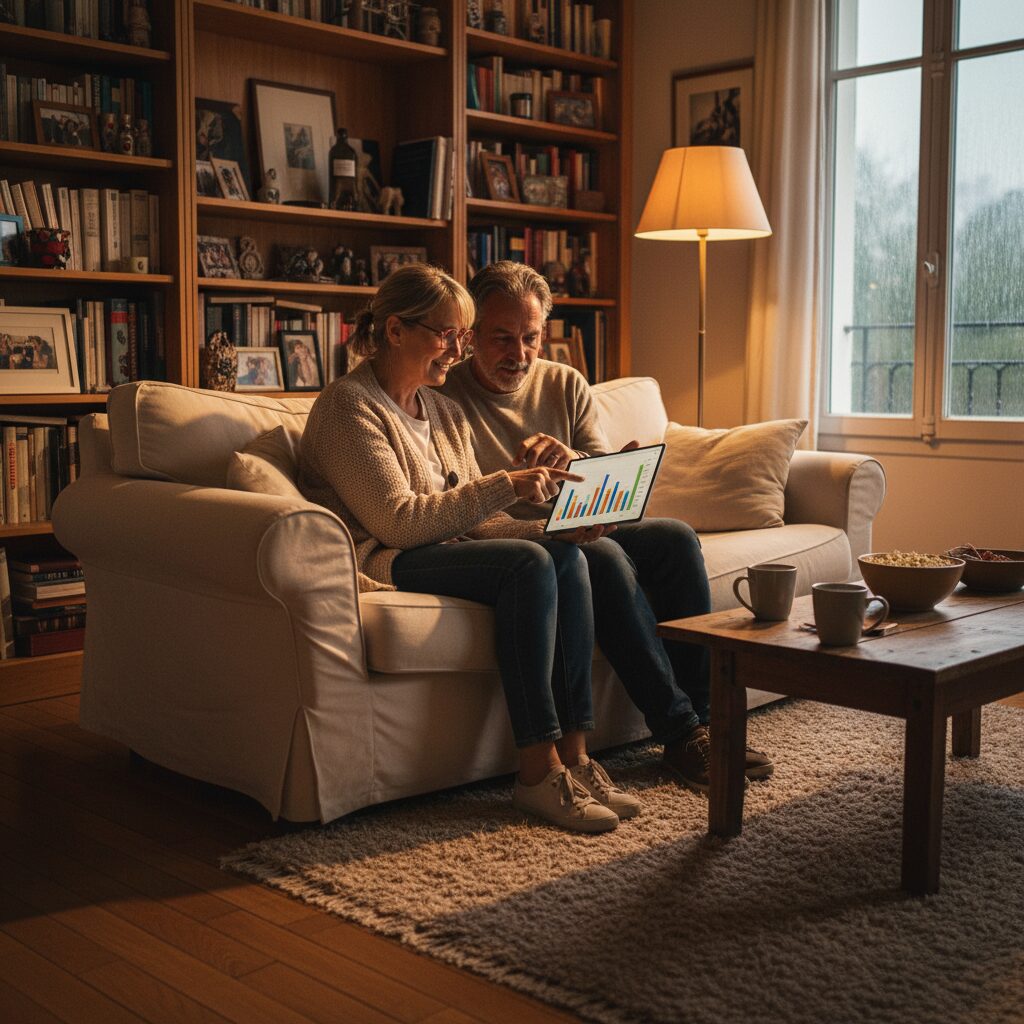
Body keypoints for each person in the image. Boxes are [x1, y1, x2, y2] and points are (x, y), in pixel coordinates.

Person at [298, 263, 641, 832]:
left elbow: (479, 525)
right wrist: (505, 484)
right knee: (531, 565)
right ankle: (536, 771)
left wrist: (554, 530)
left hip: (440, 547)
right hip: (388, 557)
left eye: (462, 335)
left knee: (565, 556)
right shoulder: (348, 407)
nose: (458, 350)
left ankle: (577, 758)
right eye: (447, 334)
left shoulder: (441, 409)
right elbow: (400, 523)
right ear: (395, 330)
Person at [440, 261, 775, 792]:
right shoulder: (445, 394)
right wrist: (547, 526)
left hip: (583, 525)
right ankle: (681, 731)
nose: (519, 355)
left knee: (675, 538)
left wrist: (573, 463)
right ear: (471, 334)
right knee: (606, 557)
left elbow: (605, 490)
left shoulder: (565, 383)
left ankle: (708, 724)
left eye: (530, 338)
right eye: (502, 338)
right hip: (520, 544)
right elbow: (459, 509)